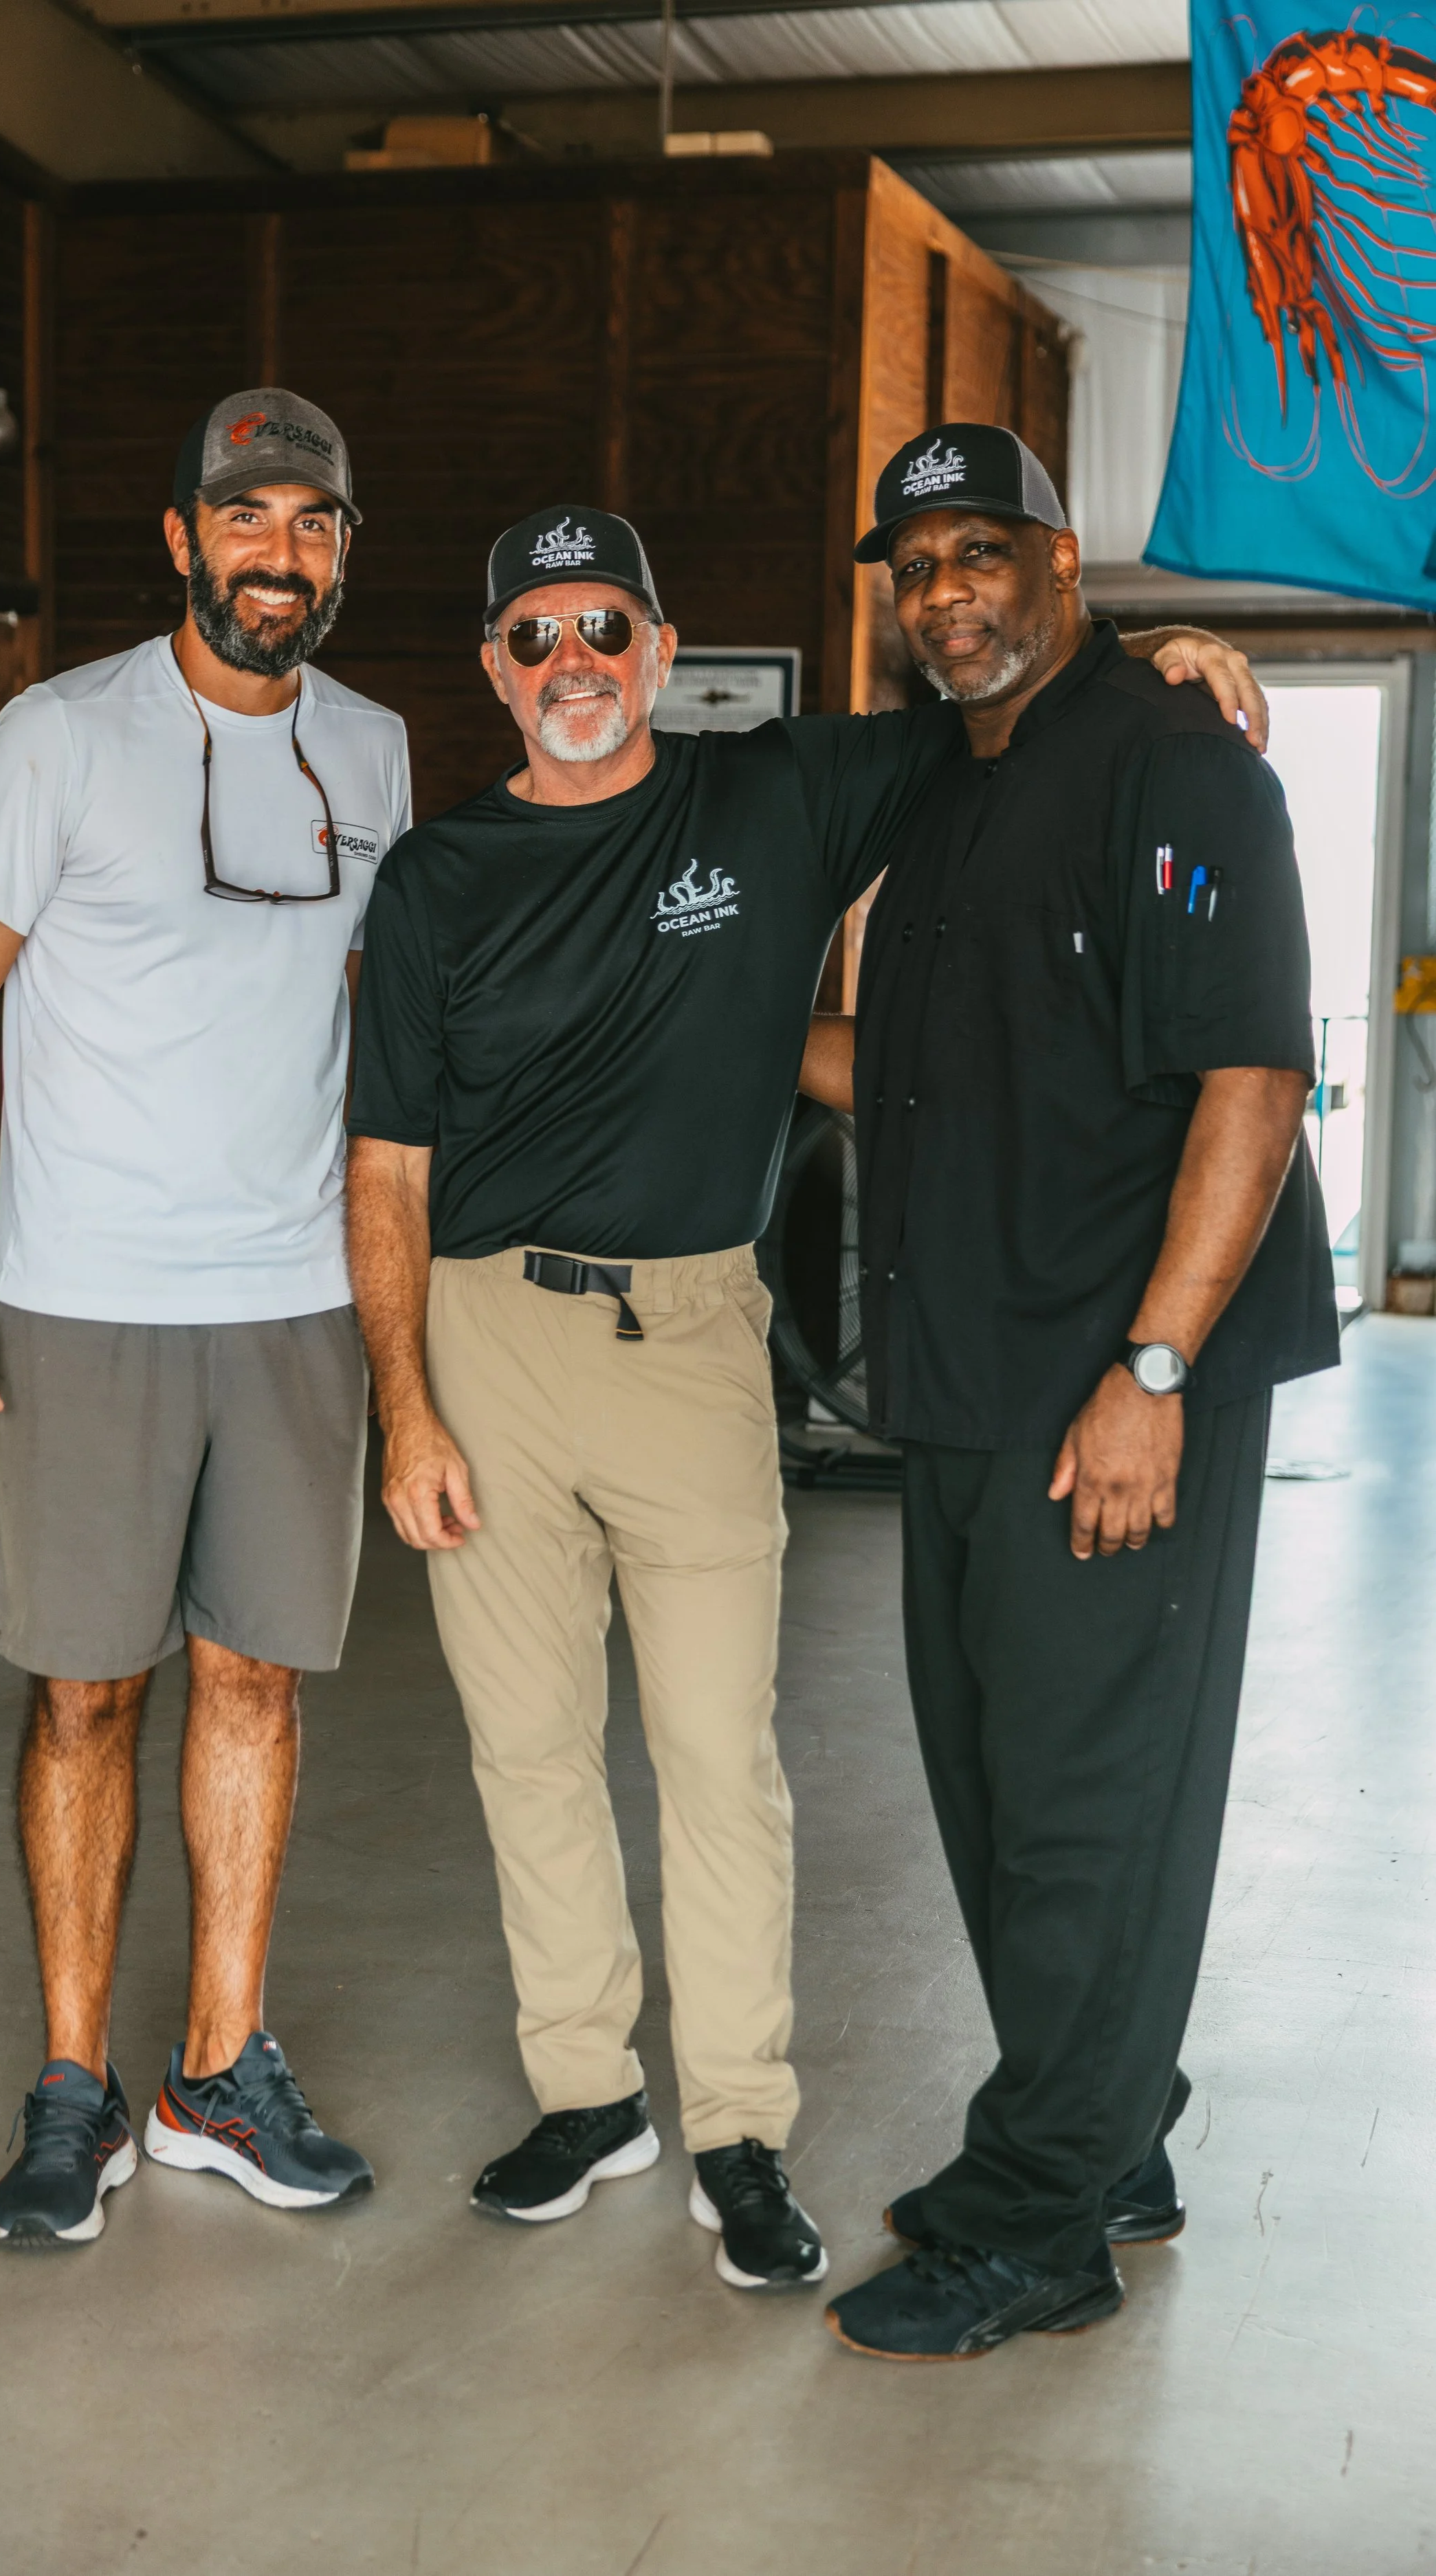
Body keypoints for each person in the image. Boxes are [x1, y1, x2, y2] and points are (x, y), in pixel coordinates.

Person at [343, 498, 1261, 2294]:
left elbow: (1012, 687)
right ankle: (583, 2091)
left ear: (658, 656)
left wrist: (1161, 659)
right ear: (493, 671)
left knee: (715, 1756)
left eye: (605, 629)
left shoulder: (771, 791)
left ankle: (735, 2126)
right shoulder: (436, 875)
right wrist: (405, 1407)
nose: (571, 666)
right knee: (525, 1747)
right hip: (483, 1339)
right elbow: (384, 1169)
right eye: (533, 639)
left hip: (688, 1341)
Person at [797, 424, 1338, 2360]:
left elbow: (1249, 1084)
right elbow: (937, 1075)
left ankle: (1040, 2221)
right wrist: (735, 1041)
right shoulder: (949, 793)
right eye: (910, 564)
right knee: (997, 1782)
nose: (940, 592)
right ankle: (1109, 2132)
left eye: (974, 552)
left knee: (1088, 1804)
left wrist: (1154, 1368)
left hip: (1108, 1382)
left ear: (1057, 554)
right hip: (960, 1371)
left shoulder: (1176, 763)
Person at [0, 388, 410, 2247]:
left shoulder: (377, 749)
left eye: (314, 521)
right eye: (246, 515)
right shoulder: (58, 736)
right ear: (183, 537)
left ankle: (218, 2065)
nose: (281, 549)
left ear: (345, 546)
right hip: (79, 1302)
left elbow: (378, 1032)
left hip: (292, 1305)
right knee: (87, 1688)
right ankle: (68, 2085)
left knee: (254, 1675)